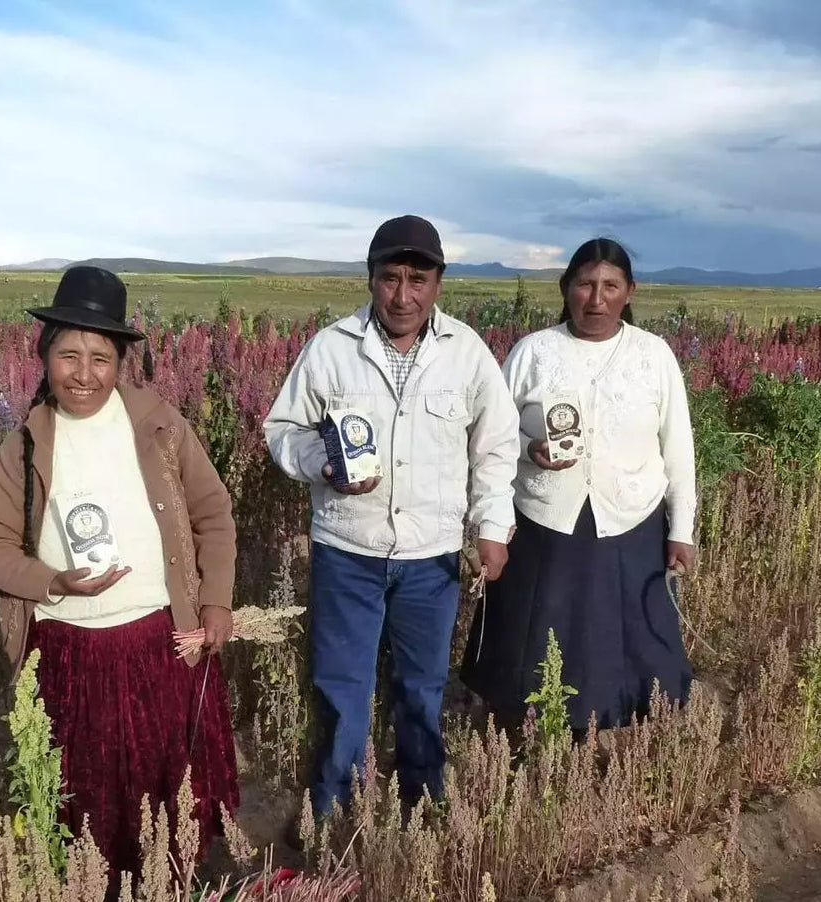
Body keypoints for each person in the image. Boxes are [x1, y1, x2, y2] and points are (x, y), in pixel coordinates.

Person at [0, 265, 240, 874]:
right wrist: (52, 582)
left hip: (161, 641)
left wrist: (217, 602)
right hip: (68, 650)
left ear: (121, 363)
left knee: (169, 799)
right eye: (68, 355)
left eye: (100, 357)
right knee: (86, 807)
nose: (83, 374)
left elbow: (214, 515)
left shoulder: (160, 427)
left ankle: (172, 884)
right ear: (45, 358)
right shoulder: (25, 446)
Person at [263, 214, 520, 817]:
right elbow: (282, 430)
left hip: (429, 555)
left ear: (438, 283)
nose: (402, 295)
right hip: (347, 548)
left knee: (422, 687)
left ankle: (420, 808)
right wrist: (323, 465)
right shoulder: (332, 348)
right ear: (371, 278)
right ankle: (330, 812)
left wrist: (491, 527)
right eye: (389, 278)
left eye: (417, 279)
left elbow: (496, 446)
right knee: (340, 686)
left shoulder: (466, 355)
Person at [461, 238, 697, 734]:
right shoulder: (533, 353)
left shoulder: (654, 356)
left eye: (610, 286)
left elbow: (678, 451)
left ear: (630, 291)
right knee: (536, 632)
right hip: (545, 520)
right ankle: (522, 728)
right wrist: (530, 453)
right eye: (585, 285)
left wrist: (682, 530)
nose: (596, 299)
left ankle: (620, 731)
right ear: (566, 288)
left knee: (627, 639)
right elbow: (495, 440)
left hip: (632, 520)